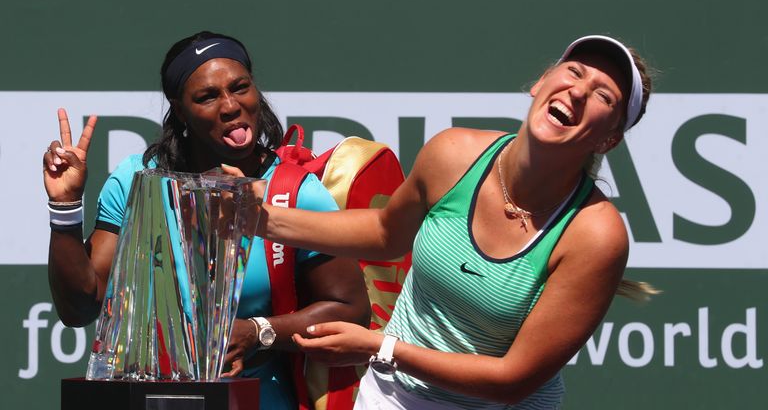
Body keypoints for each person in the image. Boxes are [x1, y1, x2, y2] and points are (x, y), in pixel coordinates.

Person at [240, 35, 654, 409]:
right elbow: (386, 233)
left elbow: (512, 381)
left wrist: (381, 347)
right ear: (542, 82)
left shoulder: (596, 234)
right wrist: (262, 219)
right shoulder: (453, 154)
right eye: (575, 72)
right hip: (390, 397)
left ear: (609, 139)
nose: (579, 91)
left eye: (604, 95)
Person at [42, 31, 370, 410]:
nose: (230, 106)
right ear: (180, 111)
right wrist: (65, 208)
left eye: (240, 87)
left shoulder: (295, 191)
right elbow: (78, 309)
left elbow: (350, 309)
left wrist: (259, 331)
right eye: (207, 96)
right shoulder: (136, 181)